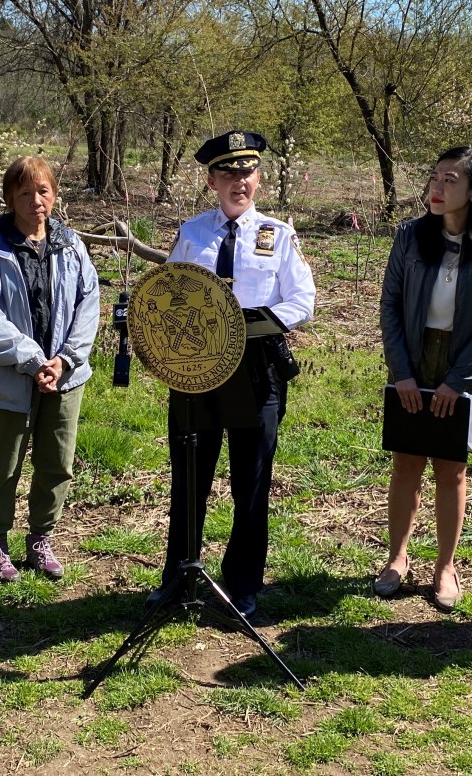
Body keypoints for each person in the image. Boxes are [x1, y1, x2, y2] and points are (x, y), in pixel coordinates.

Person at [147, 130, 315, 620]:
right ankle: (179, 578)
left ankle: (243, 586)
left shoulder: (279, 236)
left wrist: (250, 323)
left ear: (259, 178)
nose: (238, 182)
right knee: (189, 480)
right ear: (211, 180)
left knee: (252, 482)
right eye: (228, 173)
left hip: (255, 371)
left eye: (247, 172)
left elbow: (302, 301)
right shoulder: (193, 233)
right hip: (195, 372)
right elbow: (167, 293)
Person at [376, 146, 472, 610]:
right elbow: (391, 306)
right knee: (406, 464)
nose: (437, 187)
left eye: (450, 179)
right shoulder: (410, 236)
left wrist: (459, 380)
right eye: (435, 177)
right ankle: (397, 558)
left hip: (465, 366)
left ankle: (445, 567)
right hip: (413, 363)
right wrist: (402, 374)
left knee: (452, 471)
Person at [0, 156, 100, 582]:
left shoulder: (71, 244)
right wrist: (33, 359)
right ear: (9, 198)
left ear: (54, 195)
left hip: (66, 377)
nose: (35, 200)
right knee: (3, 466)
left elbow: (88, 305)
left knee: (57, 462)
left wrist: (64, 360)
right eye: (24, 192)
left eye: (43, 191)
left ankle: (41, 538)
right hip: (9, 378)